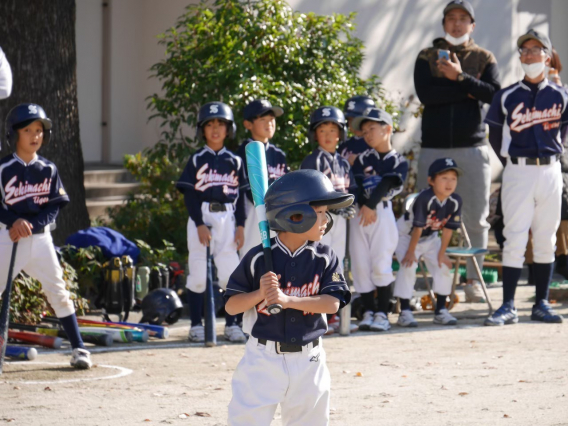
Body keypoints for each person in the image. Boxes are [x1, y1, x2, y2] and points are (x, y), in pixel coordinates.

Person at [224, 169, 353, 426]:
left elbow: (332, 303)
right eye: (318, 213)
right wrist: (261, 293)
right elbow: (231, 306)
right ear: (294, 216)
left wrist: (286, 300)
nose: (326, 219)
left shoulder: (326, 256)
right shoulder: (259, 257)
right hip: (262, 359)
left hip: (310, 360)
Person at [414, 0, 500, 302]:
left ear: (472, 25)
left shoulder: (483, 56)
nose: (457, 23)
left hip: (472, 147)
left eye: (464, 18)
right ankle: (425, 281)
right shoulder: (426, 56)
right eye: (451, 18)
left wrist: (460, 77)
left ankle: (473, 282)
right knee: (424, 217)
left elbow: (493, 94)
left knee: (476, 219)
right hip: (433, 147)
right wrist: (466, 90)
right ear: (444, 23)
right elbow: (427, 95)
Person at [484, 29, 567, 326]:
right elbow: (495, 134)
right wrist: (511, 160)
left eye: (536, 49)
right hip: (518, 170)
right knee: (515, 236)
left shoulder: (561, 94)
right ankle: (508, 305)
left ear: (547, 56)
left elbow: (564, 133)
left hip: (550, 170)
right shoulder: (506, 95)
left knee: (546, 236)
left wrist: (555, 153)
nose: (530, 54)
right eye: (525, 50)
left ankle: (541, 303)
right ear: (520, 57)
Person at [0, 103, 91, 369]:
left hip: (40, 241)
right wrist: (13, 221)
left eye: (39, 129)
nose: (35, 135)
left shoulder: (48, 169)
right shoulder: (3, 168)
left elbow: (54, 206)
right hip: (7, 238)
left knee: (58, 292)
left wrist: (31, 223)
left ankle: (79, 348)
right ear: (14, 134)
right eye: (27, 129)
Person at [176, 101, 249, 342]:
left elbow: (239, 198)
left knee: (230, 274)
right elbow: (189, 195)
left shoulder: (235, 161)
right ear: (202, 130)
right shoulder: (197, 159)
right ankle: (196, 325)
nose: (215, 129)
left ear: (230, 129)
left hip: (228, 217)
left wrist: (240, 226)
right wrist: (198, 223)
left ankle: (232, 324)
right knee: (198, 274)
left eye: (221, 124)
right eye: (210, 124)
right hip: (203, 216)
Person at [350, 108, 409, 332]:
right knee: (360, 264)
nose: (368, 134)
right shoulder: (362, 158)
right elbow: (355, 184)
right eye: (364, 131)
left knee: (380, 263)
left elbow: (387, 183)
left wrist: (370, 205)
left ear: (388, 129)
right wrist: (364, 205)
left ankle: (383, 313)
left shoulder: (399, 161)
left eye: (372, 129)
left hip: (382, 212)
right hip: (360, 213)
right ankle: (368, 312)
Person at [301, 106, 357, 333]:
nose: (328, 135)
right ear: (315, 134)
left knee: (337, 263)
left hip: (340, 220)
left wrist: (348, 205)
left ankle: (333, 316)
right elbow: (308, 193)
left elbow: (351, 188)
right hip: (319, 219)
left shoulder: (343, 163)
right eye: (322, 130)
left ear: (340, 134)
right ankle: (316, 314)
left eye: (333, 130)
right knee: (317, 262)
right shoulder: (312, 160)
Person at [394, 158, 463, 327]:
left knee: (443, 266)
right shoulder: (425, 198)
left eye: (453, 178)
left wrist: (442, 254)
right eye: (444, 178)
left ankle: (441, 310)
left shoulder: (455, 200)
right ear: (431, 181)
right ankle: (404, 312)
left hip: (430, 237)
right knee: (408, 266)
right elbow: (417, 228)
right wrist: (411, 252)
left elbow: (447, 230)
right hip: (406, 236)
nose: (449, 183)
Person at [236, 99, 288, 258]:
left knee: (275, 256)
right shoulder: (242, 152)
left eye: (272, 119)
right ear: (248, 124)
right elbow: (241, 191)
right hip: (251, 210)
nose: (269, 123)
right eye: (263, 119)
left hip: (276, 211)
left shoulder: (278, 154)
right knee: (251, 256)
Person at [338, 95, 375, 165]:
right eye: (350, 120)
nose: (353, 124)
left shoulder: (376, 143)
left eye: (358, 120)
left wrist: (360, 160)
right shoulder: (344, 145)